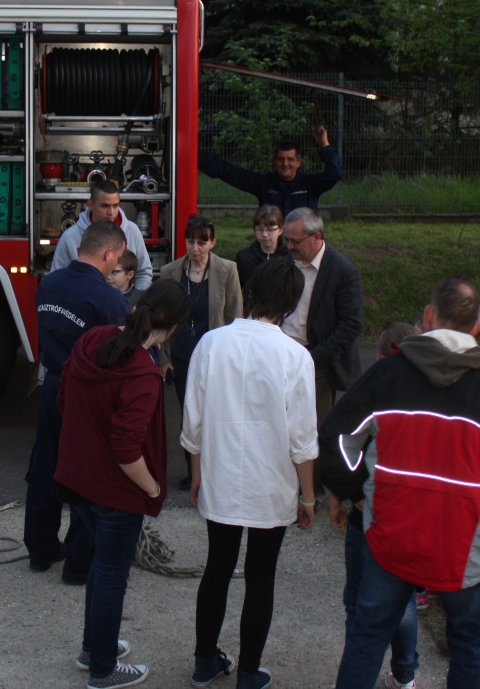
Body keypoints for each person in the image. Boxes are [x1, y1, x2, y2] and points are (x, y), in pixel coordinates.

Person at [323, 277, 480, 689]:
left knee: (367, 636)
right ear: (476, 328)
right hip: (466, 548)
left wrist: (351, 491)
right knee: (471, 646)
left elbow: (335, 439)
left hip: (391, 538)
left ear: (428, 317)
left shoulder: (387, 377)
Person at [181, 258, 318, 689]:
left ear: (253, 289)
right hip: (271, 483)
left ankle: (205, 659)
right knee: (261, 576)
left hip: (219, 475)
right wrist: (308, 496)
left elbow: (193, 422)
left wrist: (197, 472)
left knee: (217, 567)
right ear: (293, 303)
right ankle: (248, 671)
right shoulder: (296, 356)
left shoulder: (211, 343)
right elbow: (303, 438)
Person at [55, 281, 193, 689]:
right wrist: (152, 489)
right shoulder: (144, 374)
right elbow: (126, 449)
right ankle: (102, 670)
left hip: (75, 478)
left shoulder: (92, 339)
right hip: (116, 493)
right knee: (112, 574)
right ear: (174, 328)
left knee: (100, 564)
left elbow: (63, 398)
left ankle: (93, 648)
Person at [25, 220, 131, 582]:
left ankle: (39, 550)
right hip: (86, 394)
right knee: (87, 476)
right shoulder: (109, 299)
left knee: (45, 466)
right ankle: (78, 562)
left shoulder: (49, 285)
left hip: (52, 384)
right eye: (116, 257)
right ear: (108, 253)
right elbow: (123, 354)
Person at [330, 320, 421, 689]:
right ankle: (405, 673)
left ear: (382, 356)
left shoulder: (373, 395)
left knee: (358, 602)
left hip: (370, 515)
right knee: (404, 602)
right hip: (411, 517)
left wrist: (346, 496)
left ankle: (358, 670)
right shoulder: (432, 398)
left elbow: (340, 444)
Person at [160, 215, 243, 490]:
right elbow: (159, 319)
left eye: (202, 241)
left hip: (215, 355)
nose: (195, 248)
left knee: (217, 413)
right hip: (182, 353)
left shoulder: (227, 270)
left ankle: (217, 471)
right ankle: (191, 469)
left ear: (212, 243)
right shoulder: (171, 271)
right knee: (188, 413)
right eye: (190, 241)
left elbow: (235, 317)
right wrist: (164, 358)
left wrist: (233, 358)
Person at [281, 207, 362, 423]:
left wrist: (312, 358)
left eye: (295, 241)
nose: (289, 246)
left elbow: (351, 325)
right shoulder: (285, 263)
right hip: (281, 355)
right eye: (286, 240)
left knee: (313, 430)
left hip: (318, 363)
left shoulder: (343, 272)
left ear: (317, 237)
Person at [198, 125, 342, 215]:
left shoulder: (310, 184)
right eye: (280, 159)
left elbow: (334, 174)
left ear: (298, 162)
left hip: (303, 245)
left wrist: (324, 144)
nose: (285, 164)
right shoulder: (264, 183)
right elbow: (228, 172)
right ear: (274, 162)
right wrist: (193, 153)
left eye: (290, 159)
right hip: (272, 245)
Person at [52, 180, 153, 291]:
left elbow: (144, 273)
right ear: (90, 204)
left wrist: (135, 300)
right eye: (104, 206)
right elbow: (57, 279)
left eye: (115, 206)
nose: (111, 212)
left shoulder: (132, 231)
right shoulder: (70, 237)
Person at [234, 204, 289, 287]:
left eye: (270, 230)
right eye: (260, 230)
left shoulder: (291, 257)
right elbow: (235, 289)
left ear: (280, 230)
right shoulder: (244, 257)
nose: (265, 234)